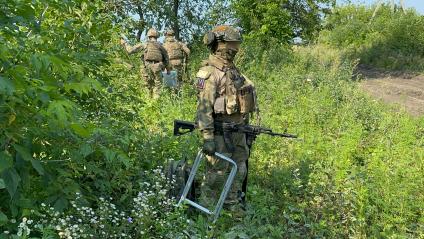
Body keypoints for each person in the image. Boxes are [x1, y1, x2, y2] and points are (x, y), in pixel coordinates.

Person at [195, 25, 259, 218]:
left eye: (236, 43)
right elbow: (204, 108)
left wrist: (246, 126)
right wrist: (208, 137)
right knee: (216, 173)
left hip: (239, 130)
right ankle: (206, 207)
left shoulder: (235, 72)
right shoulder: (208, 73)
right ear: (218, 44)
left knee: (240, 168)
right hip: (220, 132)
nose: (235, 48)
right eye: (231, 43)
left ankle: (232, 203)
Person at [121, 28, 170, 99]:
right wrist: (168, 70)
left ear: (148, 36)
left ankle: (147, 102)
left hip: (146, 68)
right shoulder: (161, 46)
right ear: (157, 36)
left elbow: (130, 50)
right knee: (157, 86)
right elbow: (166, 59)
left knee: (146, 86)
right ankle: (156, 103)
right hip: (157, 67)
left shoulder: (144, 44)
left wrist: (124, 43)